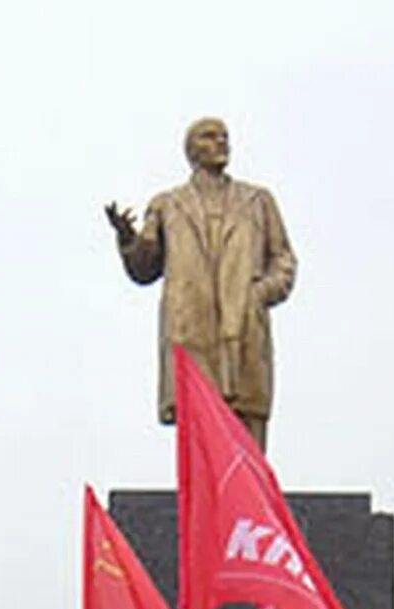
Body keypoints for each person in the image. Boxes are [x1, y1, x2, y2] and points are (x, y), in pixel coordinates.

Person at [106, 117, 296, 451]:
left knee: (248, 441)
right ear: (191, 150)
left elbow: (283, 260)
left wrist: (260, 293)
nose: (221, 143)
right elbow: (145, 268)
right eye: (210, 137)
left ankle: (248, 503)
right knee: (199, 439)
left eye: (225, 137)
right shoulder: (167, 204)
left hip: (243, 324)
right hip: (190, 326)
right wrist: (127, 237)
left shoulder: (258, 200)